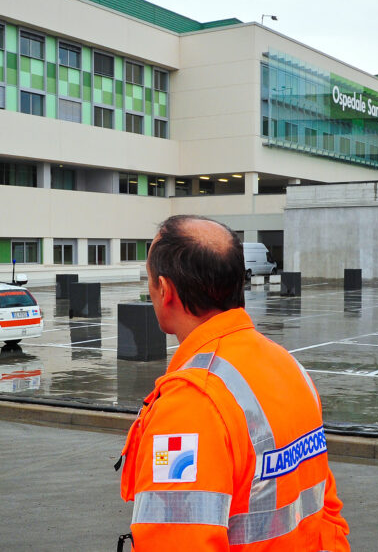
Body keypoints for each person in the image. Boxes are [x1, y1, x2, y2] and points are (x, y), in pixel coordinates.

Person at [118, 215, 350, 550]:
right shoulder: (288, 366)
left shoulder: (189, 405)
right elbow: (326, 510)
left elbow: (178, 540)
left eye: (150, 280)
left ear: (165, 291)